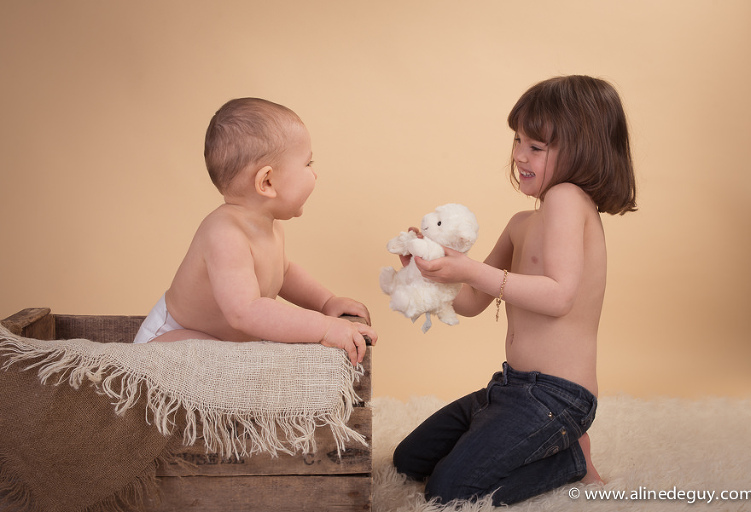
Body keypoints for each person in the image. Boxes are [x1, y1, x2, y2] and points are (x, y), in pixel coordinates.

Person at [392, 75, 637, 505]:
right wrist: (433, 272)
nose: (520, 155)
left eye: (536, 147)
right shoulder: (520, 224)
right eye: (518, 141)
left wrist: (468, 267)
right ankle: (524, 442)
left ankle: (570, 462)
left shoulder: (568, 199)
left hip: (557, 397)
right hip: (509, 388)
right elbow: (471, 301)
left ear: (583, 150)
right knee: (408, 459)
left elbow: (559, 296)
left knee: (448, 490)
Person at [133, 98, 377, 365]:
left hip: (221, 342)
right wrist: (325, 327)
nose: (315, 174)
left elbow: (282, 273)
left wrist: (325, 302)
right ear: (267, 181)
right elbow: (245, 311)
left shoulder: (269, 226)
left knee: (233, 362)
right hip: (170, 339)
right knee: (222, 363)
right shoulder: (225, 234)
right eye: (308, 164)